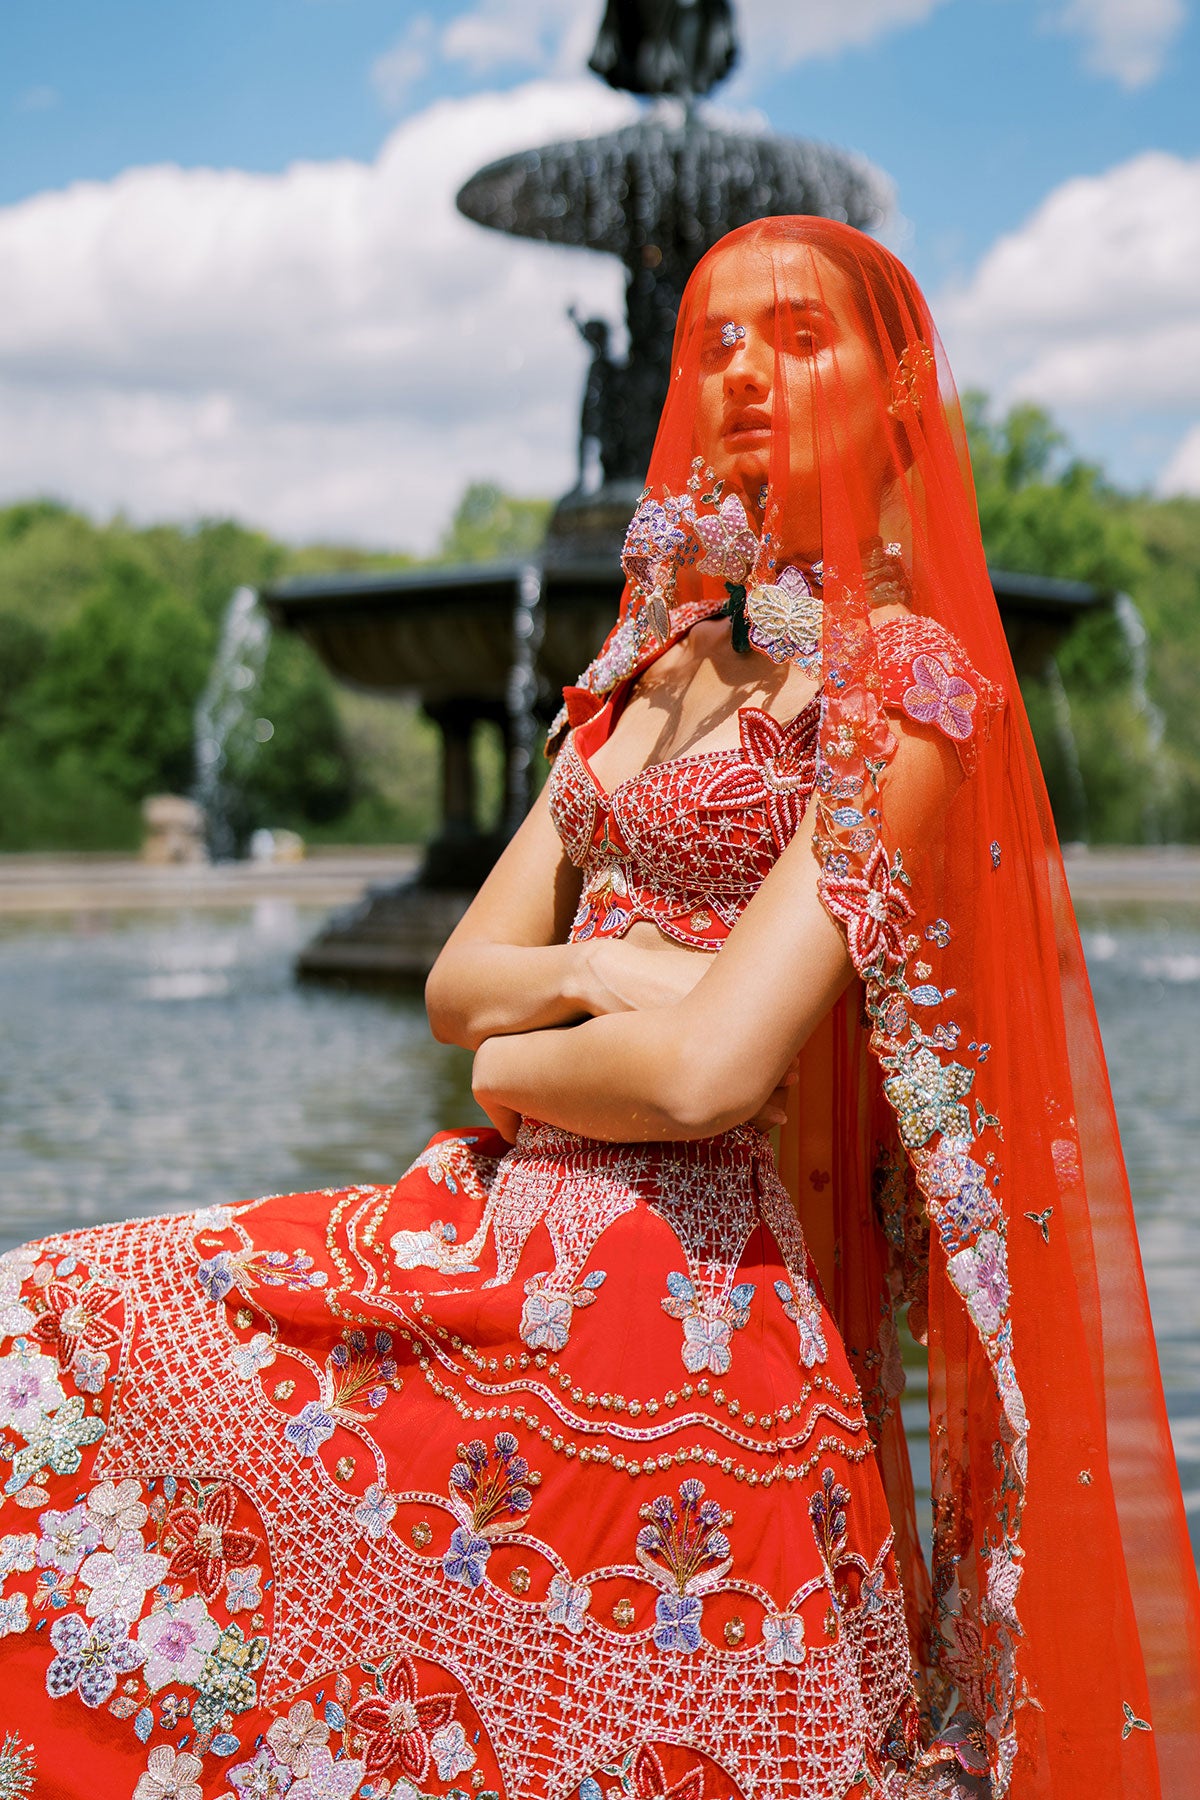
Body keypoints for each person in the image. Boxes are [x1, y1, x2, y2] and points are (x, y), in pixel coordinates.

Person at [0, 219, 1196, 1800]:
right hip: (485, 1223)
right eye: (714, 344)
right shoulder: (654, 665)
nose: (746, 374)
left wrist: (514, 1063)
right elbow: (458, 982)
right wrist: (583, 980)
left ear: (901, 391)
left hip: (681, 1290)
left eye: (800, 338)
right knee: (53, 1318)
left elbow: (707, 1077)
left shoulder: (905, 690)